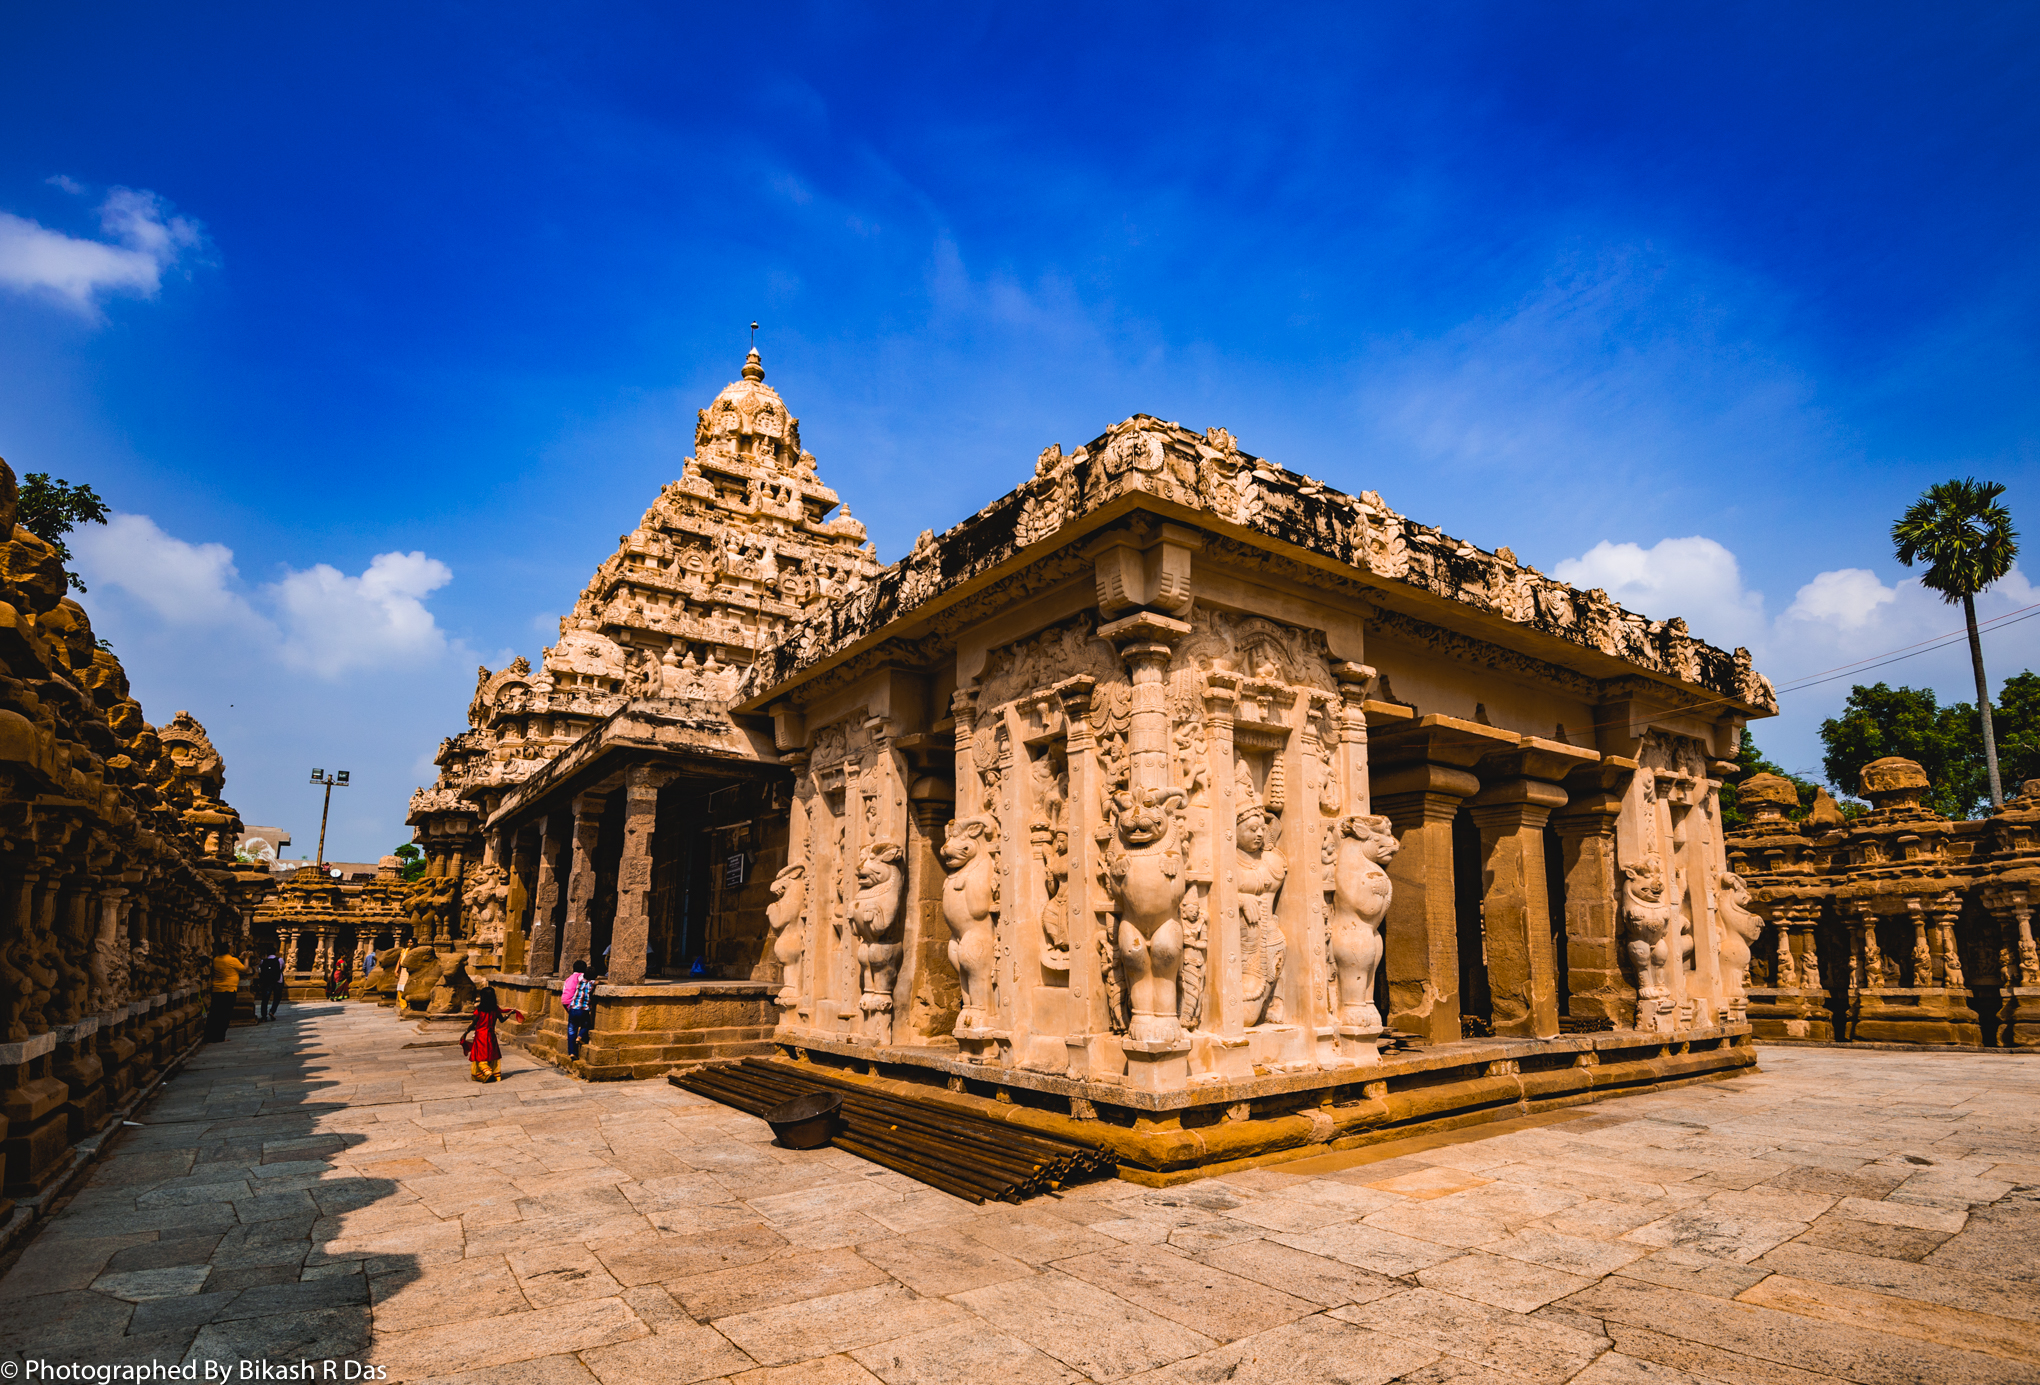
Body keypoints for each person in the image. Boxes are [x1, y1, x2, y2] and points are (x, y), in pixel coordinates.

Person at [460, 987, 524, 1082]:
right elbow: (502, 1020)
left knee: (481, 1055)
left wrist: (465, 1033)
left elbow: (473, 1024)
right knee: (491, 1054)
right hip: (491, 1035)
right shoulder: (496, 1009)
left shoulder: (479, 1010)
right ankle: (494, 1073)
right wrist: (509, 1013)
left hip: (481, 1035)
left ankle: (487, 1073)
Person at [207, 948, 247, 1041]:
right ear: (229, 950)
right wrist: (247, 958)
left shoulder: (216, 959)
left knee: (214, 1014)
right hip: (229, 990)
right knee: (225, 1014)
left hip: (217, 989)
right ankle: (220, 1036)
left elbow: (229, 965)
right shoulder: (232, 960)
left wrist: (238, 958)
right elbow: (245, 969)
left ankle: (210, 1036)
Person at [562, 959, 595, 1059]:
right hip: (582, 1008)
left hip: (570, 1005)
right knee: (586, 1024)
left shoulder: (569, 978)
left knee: (571, 1029)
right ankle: (580, 1036)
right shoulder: (583, 979)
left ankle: (572, 1052)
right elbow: (592, 982)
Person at [255, 949, 285, 1020]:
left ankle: (264, 1016)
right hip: (278, 981)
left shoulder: (263, 961)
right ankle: (272, 1011)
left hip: (267, 982)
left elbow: (258, 969)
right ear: (276, 952)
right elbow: (283, 967)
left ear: (267, 954)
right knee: (277, 997)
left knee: (265, 998)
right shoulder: (280, 960)